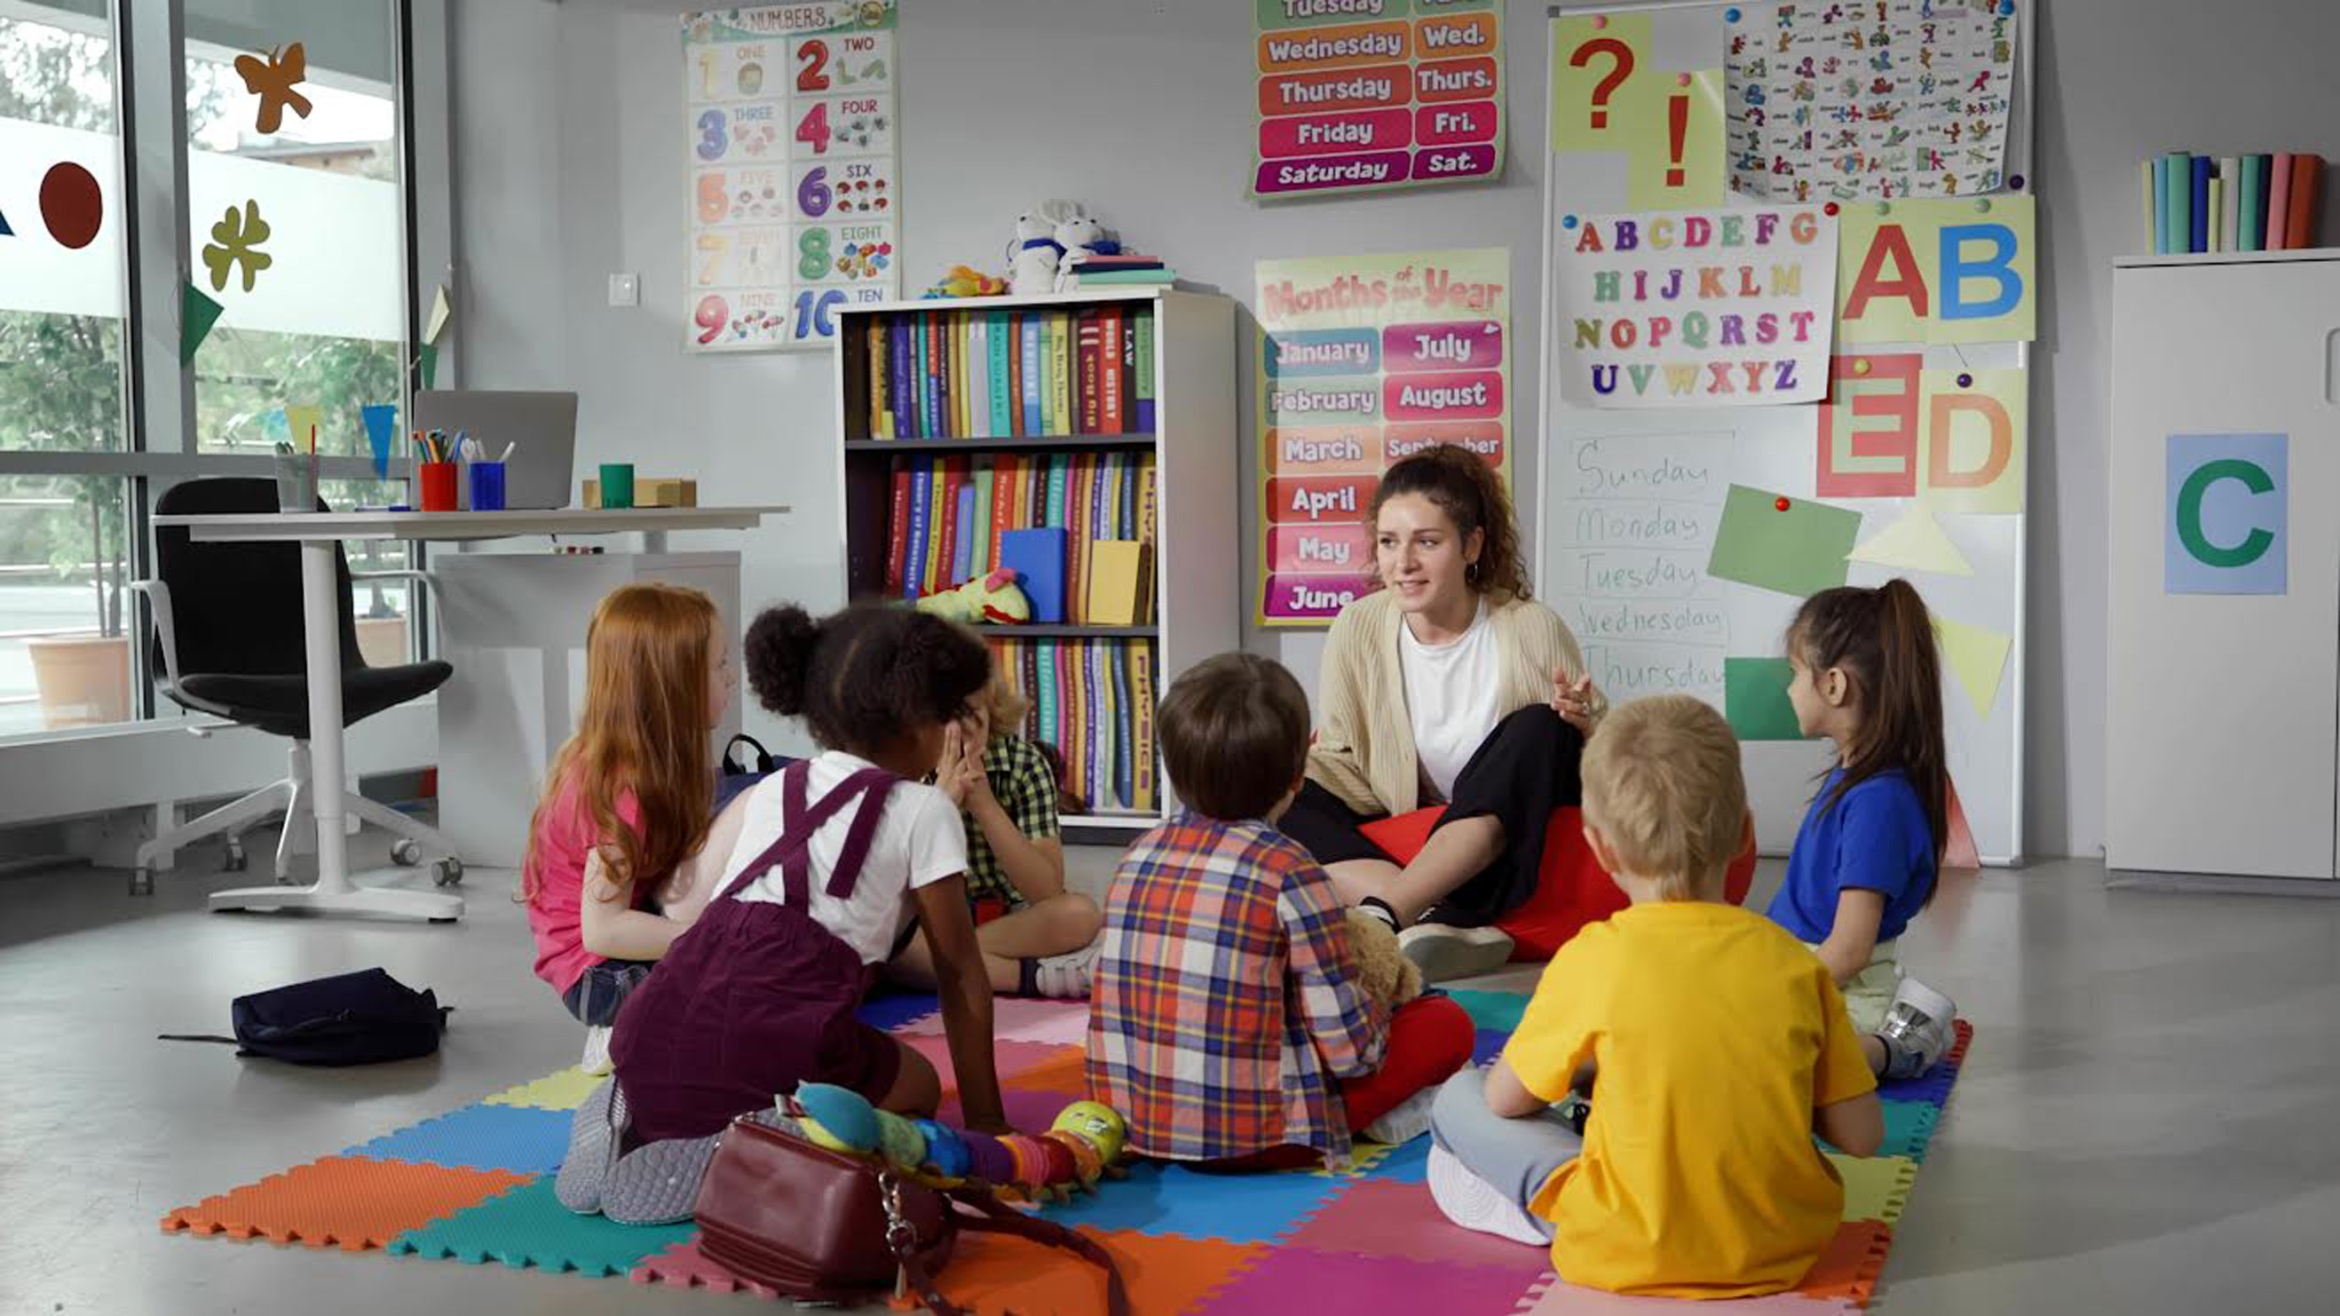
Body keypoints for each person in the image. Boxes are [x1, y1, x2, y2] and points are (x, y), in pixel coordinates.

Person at [1425, 696, 1884, 1298]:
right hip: (1784, 1246)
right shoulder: (1795, 965)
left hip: (1620, 1243)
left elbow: (1507, 1100)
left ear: (1601, 848)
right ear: (1746, 833)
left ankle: (1527, 1210)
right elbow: (1863, 1136)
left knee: (1459, 1096)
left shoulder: (1592, 957)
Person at [609, 601, 1009, 1145]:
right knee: (919, 1085)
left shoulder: (776, 787)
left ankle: (651, 1120)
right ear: (921, 725)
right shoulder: (924, 809)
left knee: (735, 1046)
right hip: (775, 1040)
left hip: (651, 1030)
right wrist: (987, 1124)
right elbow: (960, 973)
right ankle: (779, 1130)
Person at [1086, 652, 1475, 1171]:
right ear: (1298, 779)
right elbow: (1350, 1051)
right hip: (1262, 1137)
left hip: (1139, 1124)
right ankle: (1387, 1117)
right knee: (1447, 1022)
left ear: (1174, 772)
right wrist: (1388, 1006)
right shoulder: (1291, 870)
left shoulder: (1137, 854)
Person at [1281, 445, 1608, 982]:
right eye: (1388, 543)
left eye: (1426, 542)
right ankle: (1431, 916)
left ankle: (1387, 912)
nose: (1402, 563)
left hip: (1503, 837)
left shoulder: (1531, 628)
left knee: (1541, 726)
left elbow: (1603, 757)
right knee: (1280, 787)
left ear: (1471, 545)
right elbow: (1340, 757)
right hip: (1402, 819)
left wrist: (1585, 726)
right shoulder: (1357, 627)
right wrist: (1290, 778)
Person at [520, 583, 747, 1073]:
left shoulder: (640, 758)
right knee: (753, 990)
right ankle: (623, 1031)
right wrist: (707, 936)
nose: (731, 677)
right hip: (601, 980)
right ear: (675, 686)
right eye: (719, 665)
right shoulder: (625, 785)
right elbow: (603, 932)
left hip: (609, 958)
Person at [1770, 580, 1961, 1078]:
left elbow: (1850, 950)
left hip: (1841, 990)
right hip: (1802, 969)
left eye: (1795, 675)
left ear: (1833, 685)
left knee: (1758, 1058)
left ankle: (1896, 1047)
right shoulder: (1855, 779)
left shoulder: (1879, 802)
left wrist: (1771, 991)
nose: (1789, 689)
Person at [888, 663, 1103, 998]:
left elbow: (1047, 891)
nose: (958, 730)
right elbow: (890, 889)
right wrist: (939, 805)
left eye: (971, 714)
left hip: (1009, 922)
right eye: (944, 717)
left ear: (992, 712)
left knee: (1081, 914)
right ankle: (1032, 978)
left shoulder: (1024, 763)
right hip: (928, 923)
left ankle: (932, 966)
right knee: (884, 943)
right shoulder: (903, 766)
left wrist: (984, 804)